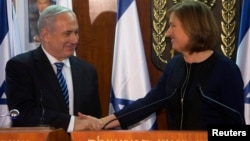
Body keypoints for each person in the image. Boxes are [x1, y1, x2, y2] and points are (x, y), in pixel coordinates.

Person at [81, 0, 245, 130]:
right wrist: (101, 122)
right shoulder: (174, 66)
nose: (167, 33)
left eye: (173, 25)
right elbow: (146, 105)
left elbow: (236, 127)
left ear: (192, 27)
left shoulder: (225, 70)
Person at [5, 5, 102, 132]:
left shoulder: (88, 71)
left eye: (76, 32)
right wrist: (71, 123)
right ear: (46, 35)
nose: (75, 40)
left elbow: (93, 118)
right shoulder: (21, 66)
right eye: (67, 33)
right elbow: (21, 113)